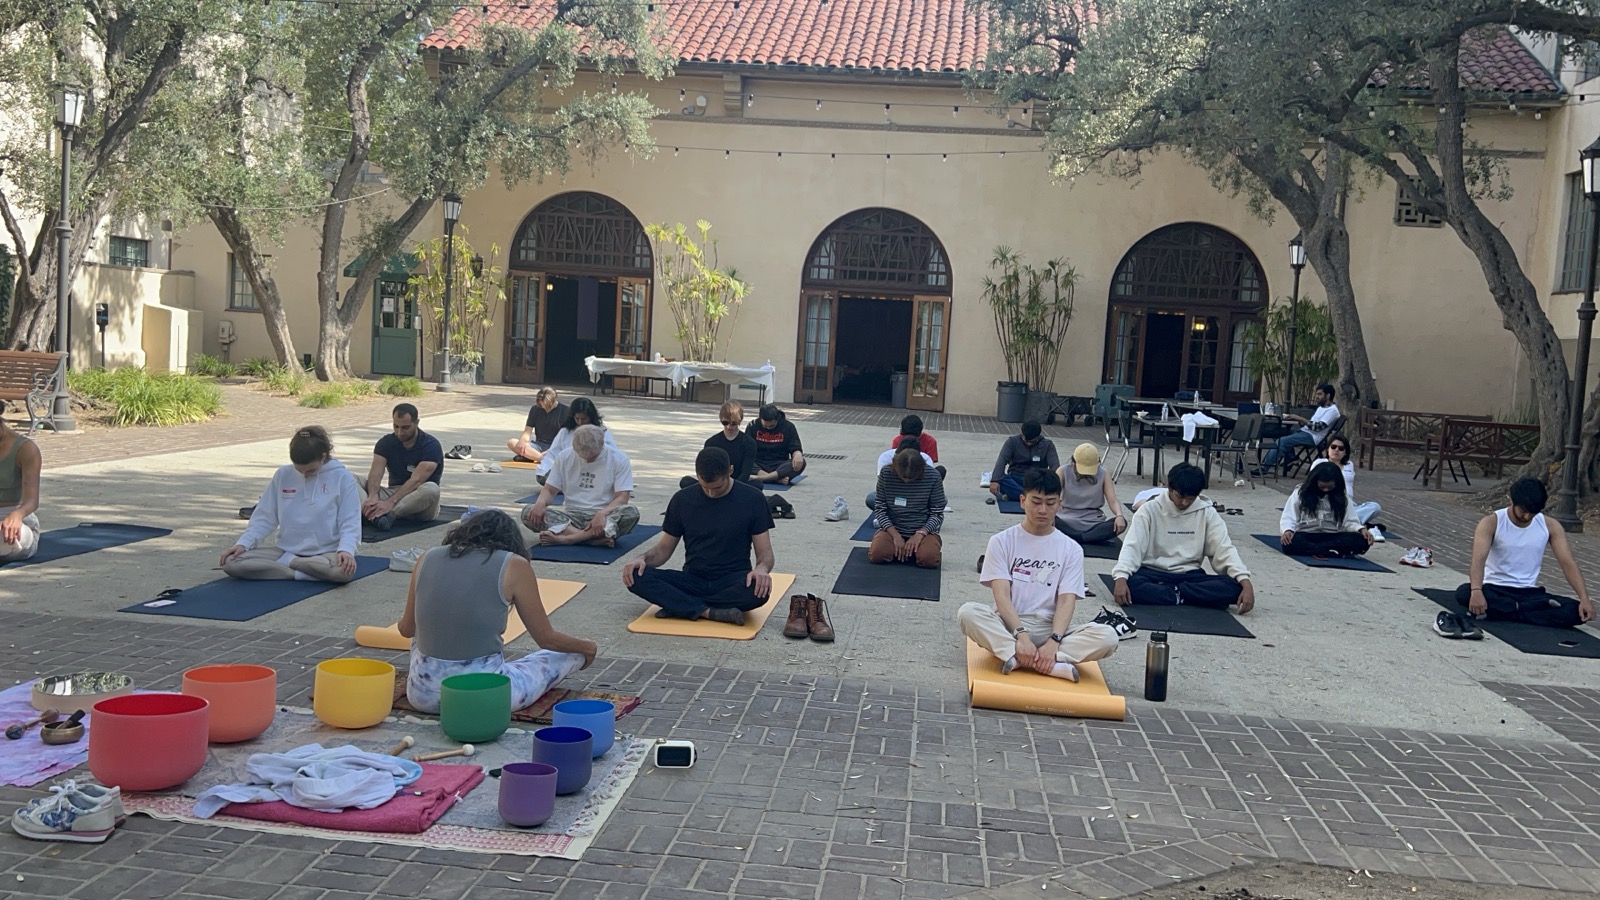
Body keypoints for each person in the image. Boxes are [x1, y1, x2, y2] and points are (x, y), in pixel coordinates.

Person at [398, 510, 596, 713]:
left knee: (419, 639)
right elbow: (547, 639)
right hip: (486, 697)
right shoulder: (514, 564)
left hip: (423, 694)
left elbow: (406, 629)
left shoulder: (427, 557)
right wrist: (587, 647)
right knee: (567, 653)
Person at [958, 468, 1128, 681]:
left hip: (1051, 627)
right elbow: (1001, 595)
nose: (1043, 510)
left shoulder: (1071, 549)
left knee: (1109, 637)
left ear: (1060, 504)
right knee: (968, 613)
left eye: (1050, 503)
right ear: (1022, 501)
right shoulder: (1001, 541)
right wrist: (1021, 635)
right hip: (1010, 624)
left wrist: (1054, 640)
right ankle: (1046, 662)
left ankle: (1022, 658)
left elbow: (1067, 600)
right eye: (1036, 502)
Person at [624, 447, 796, 631]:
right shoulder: (682, 499)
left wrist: (761, 569)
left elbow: (765, 554)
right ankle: (708, 611)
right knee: (635, 575)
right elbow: (663, 550)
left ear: (730, 471)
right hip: (693, 579)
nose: (711, 493)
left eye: (717, 487)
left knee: (759, 591)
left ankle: (682, 606)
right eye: (705, 487)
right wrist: (642, 559)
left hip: (732, 580)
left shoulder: (752, 499)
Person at [1442, 478, 1594, 636]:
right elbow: (1478, 560)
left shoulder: (1550, 526)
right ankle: (1529, 612)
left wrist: (1584, 598)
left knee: (1576, 611)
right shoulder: (1491, 522)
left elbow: (1567, 562)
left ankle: (1507, 612)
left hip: (1529, 594)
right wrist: (1476, 590)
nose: (1527, 517)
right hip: (1496, 590)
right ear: (1513, 502)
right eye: (1523, 511)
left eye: (1532, 513)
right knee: (1464, 593)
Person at [221, 426, 361, 582]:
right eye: (299, 470)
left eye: (311, 470)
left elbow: (350, 521)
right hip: (284, 551)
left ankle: (289, 566)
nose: (305, 475)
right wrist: (243, 544)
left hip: (325, 553)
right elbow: (264, 517)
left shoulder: (343, 478)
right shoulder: (283, 474)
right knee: (231, 562)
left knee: (343, 572)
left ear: (323, 457)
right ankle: (299, 573)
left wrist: (346, 550)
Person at [1112, 463, 1255, 612]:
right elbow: (1132, 547)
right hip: (1153, 573)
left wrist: (1245, 581)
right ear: (1169, 488)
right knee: (1128, 583)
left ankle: (1173, 594)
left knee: (1233, 587)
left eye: (1191, 499)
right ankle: (1188, 597)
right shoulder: (1148, 510)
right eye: (1180, 497)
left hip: (1190, 576)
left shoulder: (1207, 513)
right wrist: (1121, 576)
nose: (1185, 503)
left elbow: (1224, 549)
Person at [522, 425, 639, 547]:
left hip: (603, 517)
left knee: (631, 513)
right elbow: (550, 490)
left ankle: (568, 539)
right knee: (528, 512)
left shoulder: (619, 458)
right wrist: (540, 503)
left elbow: (622, 497)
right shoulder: (564, 456)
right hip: (571, 516)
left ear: (602, 444)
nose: (587, 460)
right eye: (581, 456)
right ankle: (589, 539)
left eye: (593, 457)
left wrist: (602, 514)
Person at [360, 403, 443, 530]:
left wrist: (390, 503)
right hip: (392, 492)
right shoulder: (385, 443)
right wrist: (372, 496)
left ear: (417, 423)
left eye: (405, 427)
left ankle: (389, 515)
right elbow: (376, 473)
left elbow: (417, 480)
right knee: (350, 478)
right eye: (396, 426)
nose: (399, 432)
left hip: (418, 499)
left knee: (432, 489)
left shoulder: (430, 445)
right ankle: (373, 513)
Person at [868, 440, 946, 568]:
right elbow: (880, 508)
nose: (906, 481)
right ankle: (899, 548)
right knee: (878, 555)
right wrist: (895, 535)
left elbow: (937, 513)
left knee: (929, 560)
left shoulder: (933, 476)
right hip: (893, 527)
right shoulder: (886, 473)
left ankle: (914, 549)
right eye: (902, 477)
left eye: (911, 478)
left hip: (922, 528)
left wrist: (921, 533)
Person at [1278, 461, 1373, 558]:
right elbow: (1289, 516)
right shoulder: (1300, 493)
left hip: (1332, 536)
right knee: (1290, 543)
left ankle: (1319, 550)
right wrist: (1288, 531)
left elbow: (1350, 520)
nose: (1326, 490)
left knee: (1361, 541)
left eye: (1330, 487)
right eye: (1322, 487)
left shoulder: (1342, 496)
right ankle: (1327, 551)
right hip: (1307, 534)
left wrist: (1361, 530)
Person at [1255, 383, 1339, 473]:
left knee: (1282, 441)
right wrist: (1299, 421)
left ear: (1328, 395)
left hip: (1313, 437)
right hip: (1304, 432)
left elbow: (1317, 427)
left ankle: (1264, 468)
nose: (1316, 397)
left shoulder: (1332, 411)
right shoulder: (1321, 408)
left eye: (1319, 394)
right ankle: (1291, 458)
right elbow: (1311, 424)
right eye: (1316, 394)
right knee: (1279, 432)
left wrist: (1299, 418)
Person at [1054, 443, 1124, 544]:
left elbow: (1112, 500)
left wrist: (1119, 515)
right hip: (1066, 518)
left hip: (1093, 521)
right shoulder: (1063, 471)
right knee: (1048, 520)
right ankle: (1087, 538)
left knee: (1121, 523)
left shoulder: (1104, 473)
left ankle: (1076, 537)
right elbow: (1053, 495)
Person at [534, 397, 618, 481]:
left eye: (584, 419)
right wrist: (545, 469)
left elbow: (613, 455)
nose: (580, 422)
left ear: (591, 417)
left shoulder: (601, 432)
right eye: (577, 419)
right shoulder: (565, 432)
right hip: (567, 471)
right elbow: (553, 454)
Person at [680, 400, 757, 489]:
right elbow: (706, 470)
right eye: (725, 423)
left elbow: (746, 473)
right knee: (686, 481)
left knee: (756, 484)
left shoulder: (749, 443)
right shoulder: (711, 442)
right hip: (713, 483)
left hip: (736, 484)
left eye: (733, 423)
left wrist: (730, 486)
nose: (729, 427)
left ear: (739, 421)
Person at [0, 418, 42, 563]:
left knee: (9, 536)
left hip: (15, 518)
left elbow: (32, 500)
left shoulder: (27, 449)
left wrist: (17, 515)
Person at [988, 421, 1059, 501]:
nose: (1028, 443)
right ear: (1022, 433)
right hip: (1016, 478)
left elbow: (1055, 466)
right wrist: (995, 480)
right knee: (1001, 480)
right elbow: (1001, 461)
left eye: (1031, 441)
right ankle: (1034, 497)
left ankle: (1021, 496)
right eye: (1026, 440)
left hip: (1037, 480)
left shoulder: (1047, 445)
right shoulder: (1012, 442)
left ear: (1038, 437)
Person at [1322, 434, 1381, 527]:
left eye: (1341, 448)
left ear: (1345, 452)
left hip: (1349, 504)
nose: (1336, 450)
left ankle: (1346, 522)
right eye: (1333, 447)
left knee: (1375, 507)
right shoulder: (1320, 463)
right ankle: (1357, 524)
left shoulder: (1349, 464)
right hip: (1329, 502)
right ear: (1327, 449)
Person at [747, 404, 806, 485]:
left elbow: (795, 447)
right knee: (741, 461)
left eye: (771, 426)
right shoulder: (753, 426)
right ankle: (775, 479)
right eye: (765, 426)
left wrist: (798, 455)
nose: (768, 428)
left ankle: (763, 478)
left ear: (777, 419)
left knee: (801, 463)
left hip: (779, 464)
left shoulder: (788, 427)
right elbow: (746, 450)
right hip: (759, 464)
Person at [506, 387, 568, 464]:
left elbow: (565, 438)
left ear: (553, 400)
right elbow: (528, 431)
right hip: (538, 445)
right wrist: (522, 441)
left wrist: (550, 451)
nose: (544, 408)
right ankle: (543, 459)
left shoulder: (565, 411)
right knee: (512, 442)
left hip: (555, 446)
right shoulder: (535, 409)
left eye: (547, 406)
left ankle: (530, 456)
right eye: (541, 405)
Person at [891, 414, 945, 478]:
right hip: (901, 472)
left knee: (941, 470)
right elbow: (894, 461)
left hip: (921, 472)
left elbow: (930, 464)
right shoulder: (897, 440)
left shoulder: (930, 441)